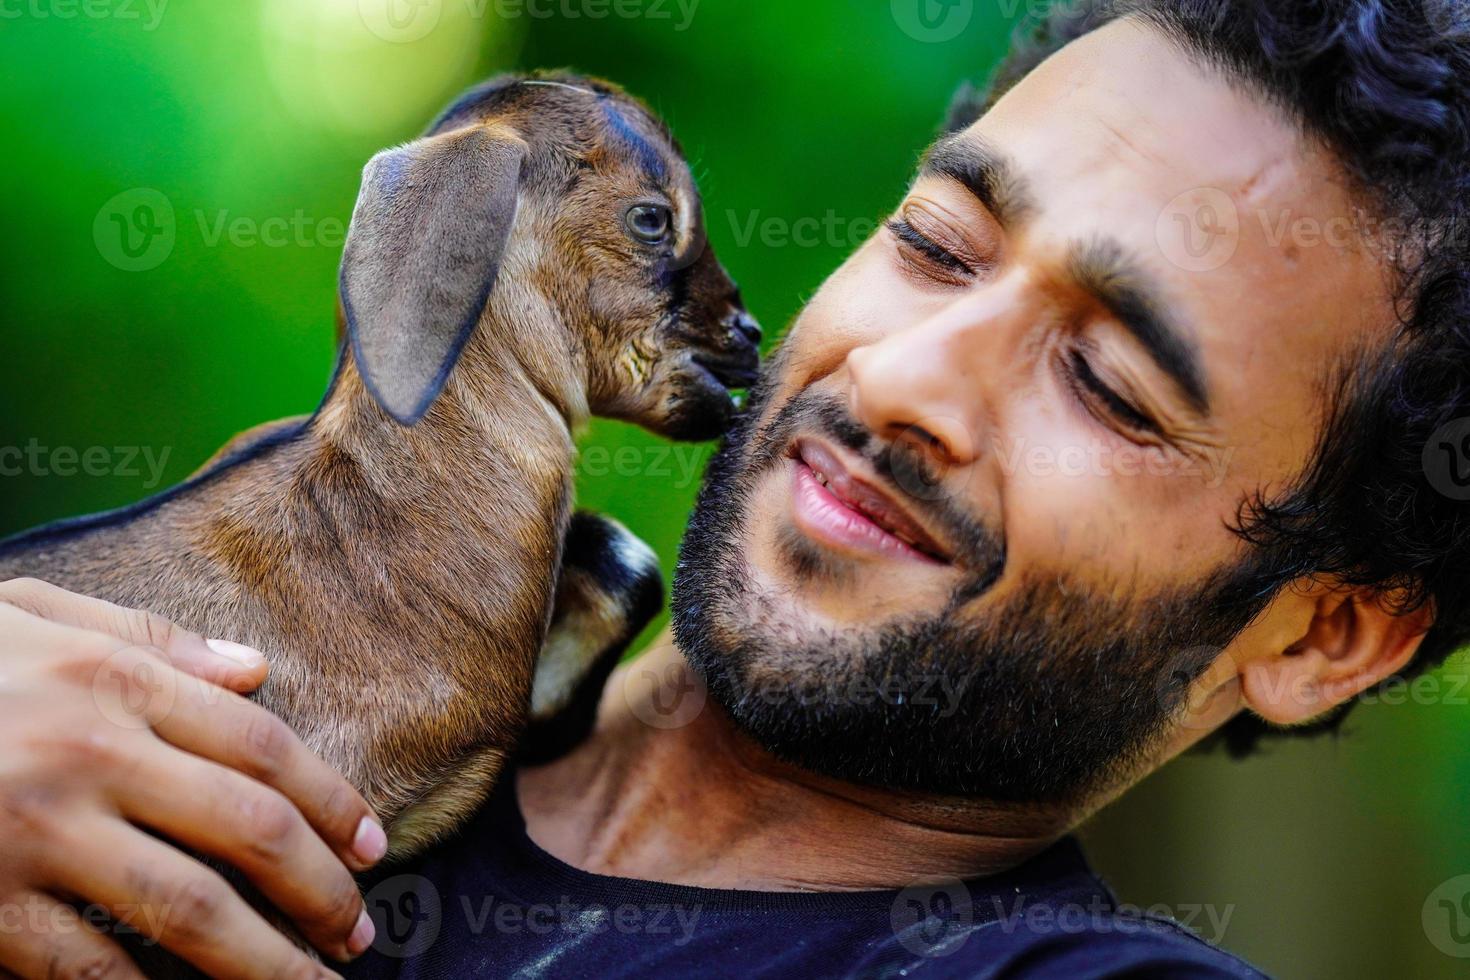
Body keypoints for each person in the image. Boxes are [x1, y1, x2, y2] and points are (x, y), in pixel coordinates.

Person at [4, 0, 1469, 976]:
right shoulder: (262, 616)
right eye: (937, 244)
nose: (900, 375)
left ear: (1323, 634)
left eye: (1106, 388)